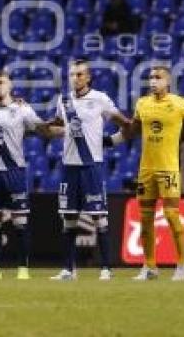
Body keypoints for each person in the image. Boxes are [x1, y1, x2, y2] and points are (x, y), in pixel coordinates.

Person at [109, 65, 184, 281]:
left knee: (171, 214)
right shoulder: (142, 104)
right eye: (151, 78)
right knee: (145, 218)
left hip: (168, 167)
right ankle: (149, 266)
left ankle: (181, 264)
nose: (153, 81)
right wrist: (111, 140)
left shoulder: (180, 104)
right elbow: (131, 130)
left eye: (158, 77)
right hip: (146, 169)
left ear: (167, 81)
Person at [0, 71, 54, 281]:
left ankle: (23, 268)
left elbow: (41, 129)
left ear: (10, 86)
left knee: (20, 222)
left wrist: (58, 125)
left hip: (15, 172)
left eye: (0, 82)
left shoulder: (21, 108)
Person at [48, 60, 132, 281]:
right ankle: (69, 269)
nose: (74, 78)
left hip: (91, 166)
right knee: (69, 218)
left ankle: (106, 268)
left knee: (98, 217)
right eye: (72, 74)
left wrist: (117, 137)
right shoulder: (63, 100)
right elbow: (58, 125)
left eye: (79, 74)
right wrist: (45, 127)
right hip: (69, 167)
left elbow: (122, 121)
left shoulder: (100, 99)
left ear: (88, 77)